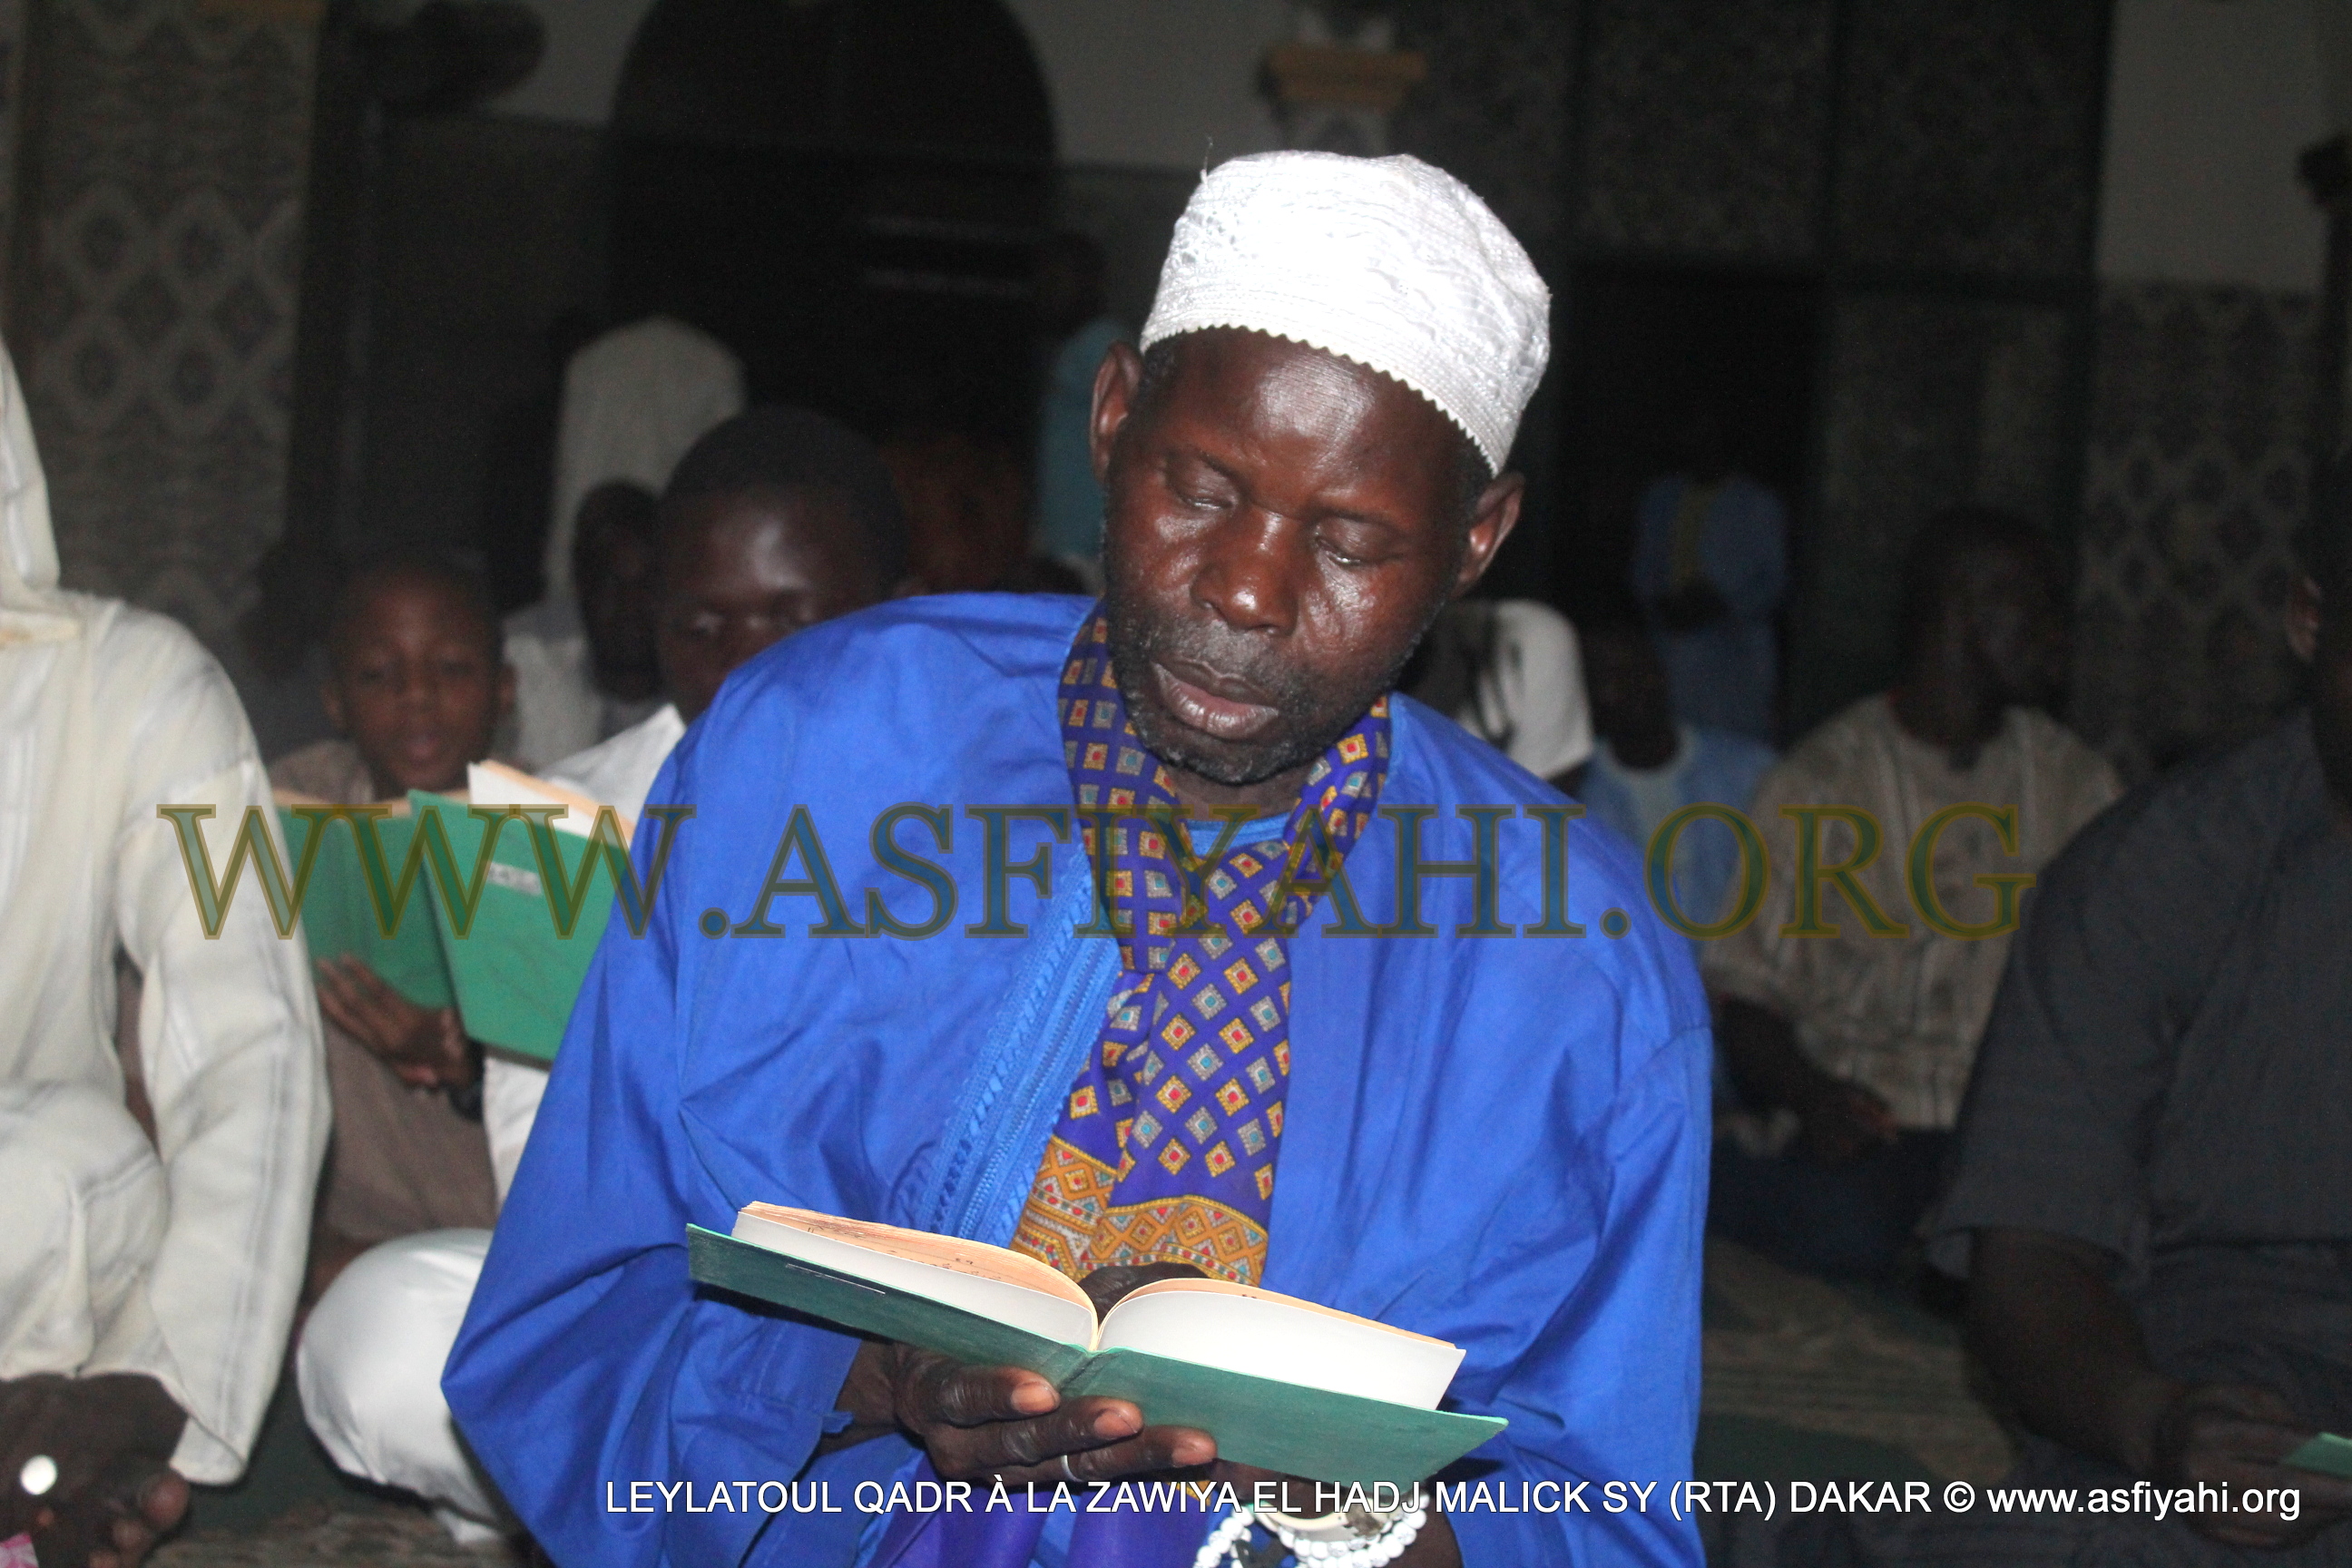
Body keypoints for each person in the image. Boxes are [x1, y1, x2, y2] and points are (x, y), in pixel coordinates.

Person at [445, 150, 1710, 1568]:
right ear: (1113, 420)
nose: (1248, 588)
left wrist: (1384, 1542)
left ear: (1476, 543)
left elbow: (1609, 1513)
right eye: (1203, 488)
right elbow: (566, 1327)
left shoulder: (1578, 965)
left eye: (1352, 542)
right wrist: (864, 1381)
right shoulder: (817, 753)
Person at [296, 407, 913, 1544]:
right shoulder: (558, 826)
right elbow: (550, 1177)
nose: (743, 668)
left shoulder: (988, 822)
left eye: (791, 619)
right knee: (375, 1338)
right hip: (670, 1299)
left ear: (888, 610)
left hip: (910, 1315)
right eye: (701, 624)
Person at [1783, 475, 2352, 1568]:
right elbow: (2030, 1261)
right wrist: (2160, 1422)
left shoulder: (2066, 774)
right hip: (2227, 1374)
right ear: (2311, 624)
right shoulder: (2159, 873)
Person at [0, 341, 328, 1568]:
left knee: (45, 1169)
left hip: (29, 1228)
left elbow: (250, 1045)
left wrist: (154, 1385)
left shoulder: (140, 687)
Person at [1702, 508, 2120, 1285]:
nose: (2061, 634)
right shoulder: (1821, 782)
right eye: (2042, 608)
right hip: (1875, 1121)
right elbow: (1745, 998)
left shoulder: (2075, 782)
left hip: (2015, 1135)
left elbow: (2120, 991)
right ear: (1967, 607)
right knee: (1845, 1231)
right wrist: (1815, 1098)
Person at [270, 554, 517, 1290]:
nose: (417, 697)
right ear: (336, 702)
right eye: (378, 675)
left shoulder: (558, 838)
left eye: (451, 668)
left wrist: (465, 1063)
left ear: (505, 691)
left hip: (496, 1233)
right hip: (328, 1226)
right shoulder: (282, 812)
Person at [1572, 594, 1776, 943]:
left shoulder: (1748, 771)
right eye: (1611, 676)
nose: (1633, 687)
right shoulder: (1578, 793)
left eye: (1640, 667)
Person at [1630, 401, 1787, 741]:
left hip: (1735, 652)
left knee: (1732, 744)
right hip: (1671, 645)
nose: (1699, 446)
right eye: (1693, 437)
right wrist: (1662, 605)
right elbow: (1644, 570)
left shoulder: (1756, 504)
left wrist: (1721, 604)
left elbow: (1774, 582)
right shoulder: (1662, 497)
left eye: (1709, 438)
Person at [501, 479, 666, 769]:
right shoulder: (520, 657)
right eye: (612, 583)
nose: (630, 605)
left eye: (646, 585)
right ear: (580, 583)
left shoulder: (716, 681)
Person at [1033, 230, 1131, 574]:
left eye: (1059, 279)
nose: (1049, 292)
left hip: (1088, 547)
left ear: (1090, 282)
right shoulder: (1069, 346)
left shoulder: (1103, 345)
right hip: (1064, 540)